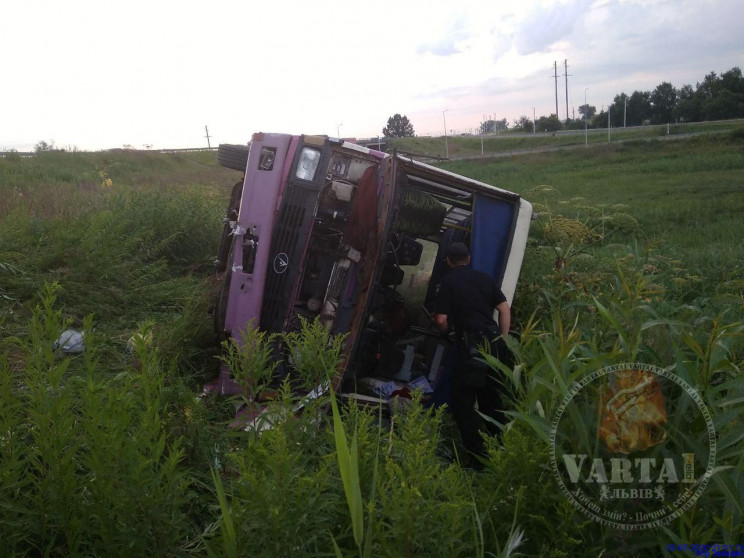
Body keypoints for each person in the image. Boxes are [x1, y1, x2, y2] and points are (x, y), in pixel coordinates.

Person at [432, 241, 512, 466]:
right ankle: (501, 452)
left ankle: (478, 459)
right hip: (494, 344)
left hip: (472, 347)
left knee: (462, 403)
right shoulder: (484, 278)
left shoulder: (448, 282)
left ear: (448, 261)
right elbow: (504, 308)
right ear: (468, 259)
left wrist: (446, 333)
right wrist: (502, 339)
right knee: (491, 401)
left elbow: (441, 320)